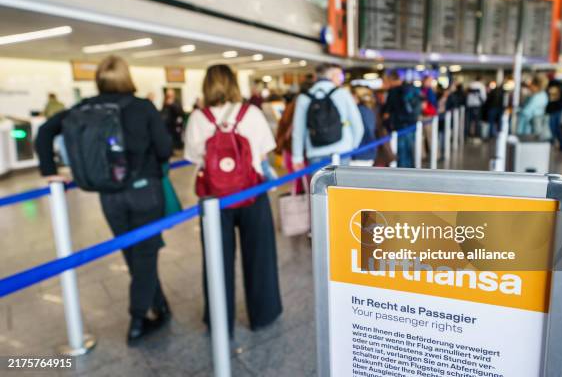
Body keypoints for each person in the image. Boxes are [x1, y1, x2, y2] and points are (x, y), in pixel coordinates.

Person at [34, 56, 173, 344]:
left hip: (109, 196)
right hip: (144, 190)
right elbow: (164, 148)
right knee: (146, 253)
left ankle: (159, 304)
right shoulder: (142, 107)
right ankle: (137, 320)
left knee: (132, 253)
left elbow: (45, 131)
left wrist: (50, 171)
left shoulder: (85, 108)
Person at [184, 64, 282, 336]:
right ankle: (263, 314)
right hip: (252, 193)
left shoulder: (197, 118)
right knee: (260, 257)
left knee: (216, 260)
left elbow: (194, 157)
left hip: (214, 198)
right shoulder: (250, 113)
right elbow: (263, 155)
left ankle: (219, 320)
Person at [291, 63, 364, 169]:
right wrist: (353, 146)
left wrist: (297, 157)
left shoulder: (304, 98)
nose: (340, 79)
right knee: (341, 185)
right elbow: (357, 124)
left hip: (315, 152)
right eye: (339, 76)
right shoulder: (343, 93)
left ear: (316, 77)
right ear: (331, 76)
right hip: (342, 150)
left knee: (319, 185)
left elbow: (298, 130)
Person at [383, 75, 423, 167]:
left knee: (402, 151)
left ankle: (402, 173)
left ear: (392, 80)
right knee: (410, 150)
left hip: (400, 125)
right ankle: (410, 169)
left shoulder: (393, 92)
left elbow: (387, 112)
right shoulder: (412, 89)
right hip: (412, 124)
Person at [351, 86, 377, 166]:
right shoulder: (368, 109)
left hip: (360, 153)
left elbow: (364, 131)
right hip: (368, 150)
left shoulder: (359, 110)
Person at [546, 78, 562, 150]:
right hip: (558, 110)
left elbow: (550, 102)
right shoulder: (561, 90)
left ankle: (552, 144)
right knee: (557, 128)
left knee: (552, 128)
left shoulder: (552, 90)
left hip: (553, 111)